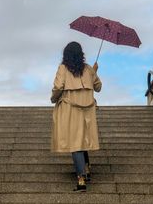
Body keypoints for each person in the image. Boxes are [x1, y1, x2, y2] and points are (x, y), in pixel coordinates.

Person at [50, 41, 102, 192]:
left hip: (70, 108)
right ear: (81, 54)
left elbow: (58, 86)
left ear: (66, 54)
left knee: (75, 142)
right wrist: (94, 71)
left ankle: (81, 179)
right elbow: (98, 87)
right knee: (82, 137)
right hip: (88, 109)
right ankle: (87, 169)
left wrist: (54, 98)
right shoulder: (88, 70)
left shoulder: (63, 68)